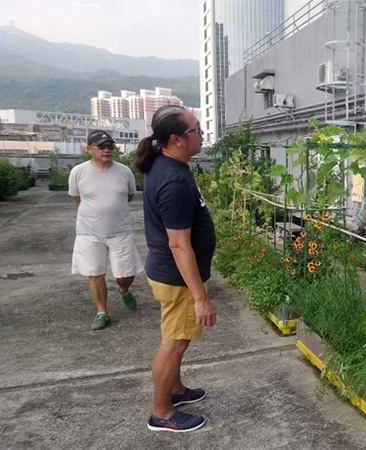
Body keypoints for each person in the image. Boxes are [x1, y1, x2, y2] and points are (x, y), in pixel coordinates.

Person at [133, 105, 216, 433]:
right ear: (175, 139)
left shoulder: (169, 165)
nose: (201, 134)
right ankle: (162, 412)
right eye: (196, 129)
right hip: (177, 277)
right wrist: (200, 297)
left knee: (178, 338)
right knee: (175, 342)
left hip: (170, 273)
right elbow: (179, 244)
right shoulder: (172, 180)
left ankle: (177, 390)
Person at [69, 130, 141, 330]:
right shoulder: (78, 172)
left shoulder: (124, 171)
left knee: (125, 273)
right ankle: (102, 312)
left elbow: (129, 196)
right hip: (89, 231)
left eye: (110, 146)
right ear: (89, 148)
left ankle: (124, 289)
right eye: (101, 146)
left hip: (120, 230)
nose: (107, 150)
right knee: (95, 272)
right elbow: (77, 199)